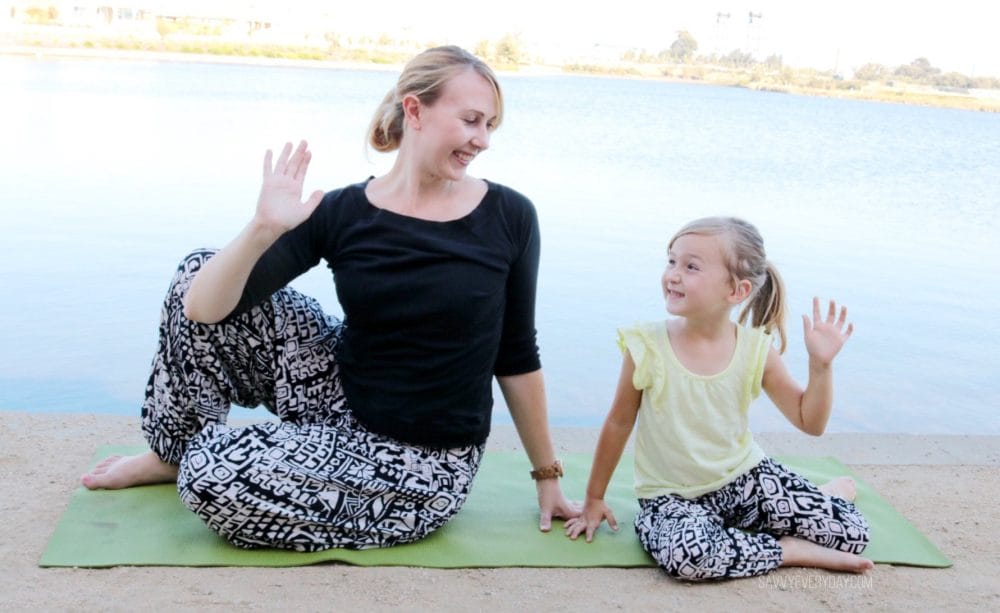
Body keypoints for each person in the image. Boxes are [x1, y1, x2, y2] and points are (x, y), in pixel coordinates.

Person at [81, 45, 579, 551]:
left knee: (210, 473)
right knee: (199, 271)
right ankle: (172, 452)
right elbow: (203, 311)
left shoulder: (510, 216)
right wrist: (262, 228)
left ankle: (199, 462)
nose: (483, 140)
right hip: (340, 397)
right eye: (472, 120)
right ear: (414, 110)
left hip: (420, 460)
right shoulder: (345, 211)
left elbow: (516, 354)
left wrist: (548, 475)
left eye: (491, 125)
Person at [564, 216, 871, 580]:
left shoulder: (756, 349)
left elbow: (810, 422)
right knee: (688, 557)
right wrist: (594, 498)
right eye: (671, 260)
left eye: (691, 266)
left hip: (746, 481)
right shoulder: (645, 346)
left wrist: (821, 367)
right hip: (671, 499)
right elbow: (618, 422)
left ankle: (814, 497)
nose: (673, 274)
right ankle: (785, 549)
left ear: (737, 291)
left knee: (852, 533)